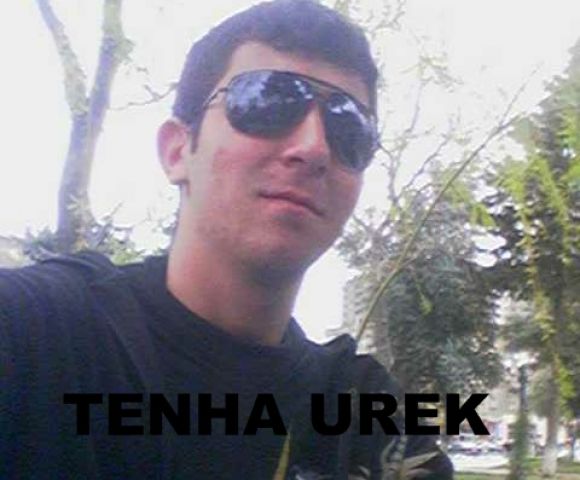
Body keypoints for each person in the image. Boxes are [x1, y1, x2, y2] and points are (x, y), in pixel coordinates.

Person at [0, 1, 453, 478]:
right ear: (177, 150)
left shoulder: (368, 426)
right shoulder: (37, 336)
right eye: (267, 102)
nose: (314, 148)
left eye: (349, 127)